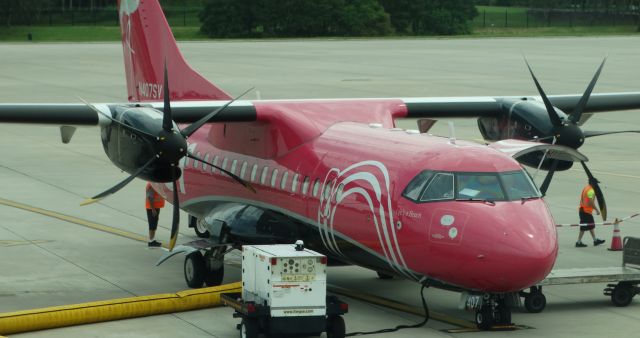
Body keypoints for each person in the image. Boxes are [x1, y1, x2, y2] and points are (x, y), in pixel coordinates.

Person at [576, 179, 605, 248]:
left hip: (583, 209)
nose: (597, 185)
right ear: (593, 184)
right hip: (585, 211)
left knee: (591, 225)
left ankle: (595, 240)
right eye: (596, 184)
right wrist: (597, 210)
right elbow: (590, 202)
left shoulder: (586, 187)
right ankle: (578, 242)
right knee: (583, 227)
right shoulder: (591, 191)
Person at [146, 182, 165, 247]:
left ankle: (152, 240)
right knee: (152, 224)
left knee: (154, 224)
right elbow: (149, 197)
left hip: (156, 207)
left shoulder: (155, 183)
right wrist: (153, 209)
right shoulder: (151, 185)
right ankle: (151, 241)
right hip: (152, 208)